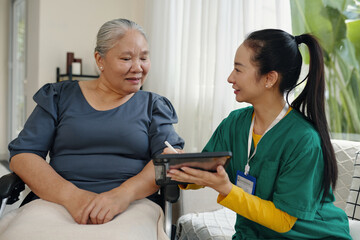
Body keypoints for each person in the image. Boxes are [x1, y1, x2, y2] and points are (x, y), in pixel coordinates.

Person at [167, 29, 352, 239]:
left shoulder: (303, 139)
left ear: (269, 78)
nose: (230, 78)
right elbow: (207, 169)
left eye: (238, 70)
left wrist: (227, 189)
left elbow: (283, 221)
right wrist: (177, 166)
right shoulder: (235, 124)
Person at [5, 18, 184, 228]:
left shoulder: (154, 106)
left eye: (144, 58)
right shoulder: (58, 97)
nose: (138, 67)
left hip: (132, 204)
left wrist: (121, 195)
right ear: (100, 59)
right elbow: (24, 155)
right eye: (126, 58)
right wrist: (72, 197)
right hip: (56, 202)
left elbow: (167, 160)